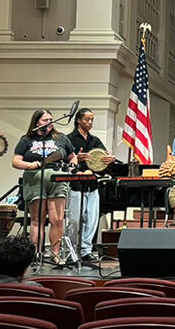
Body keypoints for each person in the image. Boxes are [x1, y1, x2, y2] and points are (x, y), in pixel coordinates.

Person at [12, 109, 77, 266]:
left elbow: (72, 156)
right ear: (36, 123)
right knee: (37, 220)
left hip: (58, 178)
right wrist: (29, 164)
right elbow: (16, 161)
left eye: (50, 119)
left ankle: (55, 254)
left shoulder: (60, 138)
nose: (49, 123)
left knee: (57, 219)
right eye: (44, 120)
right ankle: (36, 254)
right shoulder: (27, 140)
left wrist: (73, 165)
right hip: (34, 179)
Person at [66, 108, 114, 262]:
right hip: (75, 184)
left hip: (92, 183)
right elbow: (61, 160)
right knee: (74, 219)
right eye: (87, 119)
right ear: (79, 120)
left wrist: (109, 159)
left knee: (92, 218)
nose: (90, 122)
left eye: (92, 119)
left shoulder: (95, 141)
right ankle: (71, 250)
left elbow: (104, 157)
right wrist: (76, 159)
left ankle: (86, 249)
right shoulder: (68, 139)